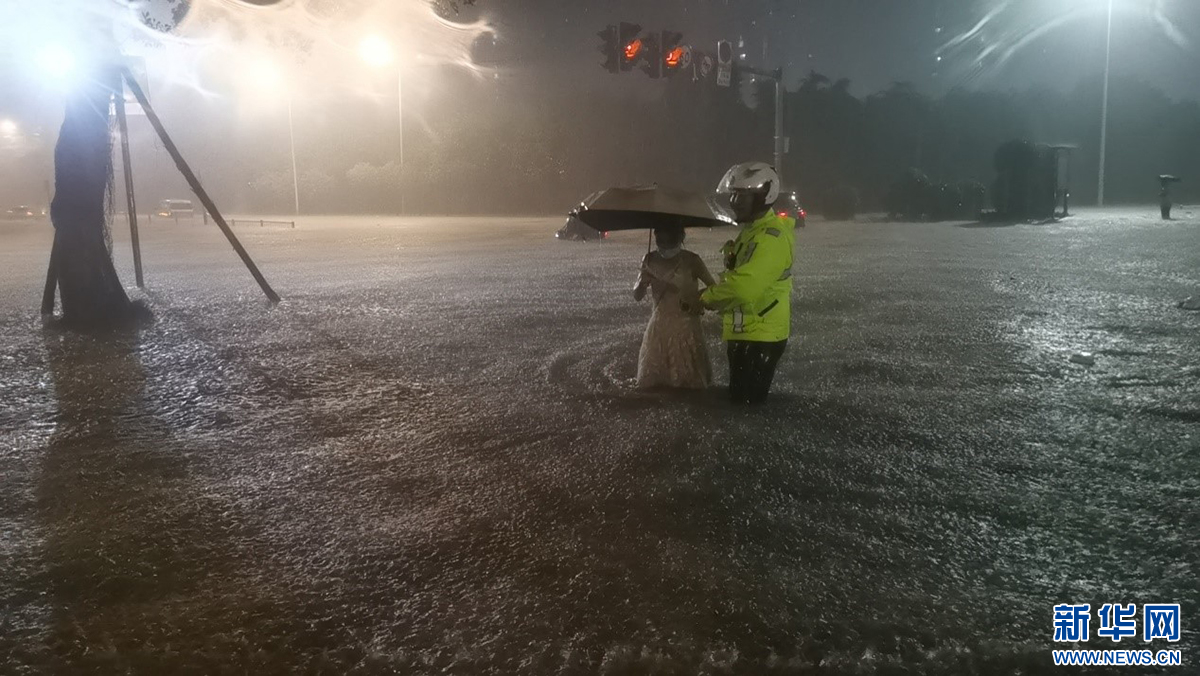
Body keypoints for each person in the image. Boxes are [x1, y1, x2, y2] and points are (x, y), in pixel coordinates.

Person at [700, 161, 796, 404]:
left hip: (761, 334)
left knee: (748, 402)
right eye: (733, 195)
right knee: (738, 398)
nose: (734, 202)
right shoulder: (753, 231)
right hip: (747, 328)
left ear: (766, 196)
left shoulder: (770, 237)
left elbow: (744, 287)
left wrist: (705, 297)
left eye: (743, 196)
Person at [633, 225, 716, 390]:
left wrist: (697, 299)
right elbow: (637, 296)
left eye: (669, 241)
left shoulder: (692, 260)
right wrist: (642, 282)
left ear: (680, 237)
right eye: (660, 241)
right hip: (660, 325)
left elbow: (713, 288)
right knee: (657, 384)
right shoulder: (649, 259)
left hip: (687, 325)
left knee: (689, 382)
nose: (664, 246)